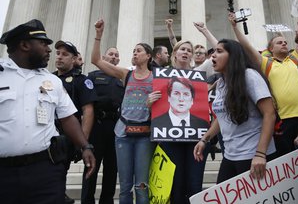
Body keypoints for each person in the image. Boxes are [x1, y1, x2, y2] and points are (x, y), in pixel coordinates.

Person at [0, 19, 95, 204]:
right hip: (4, 173)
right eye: (43, 44)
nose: (49, 50)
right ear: (25, 45)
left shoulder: (52, 81)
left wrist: (85, 146)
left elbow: (68, 118)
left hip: (45, 170)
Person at [194, 38, 277, 183]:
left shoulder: (249, 76)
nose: (213, 55)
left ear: (233, 56)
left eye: (219, 51)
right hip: (230, 155)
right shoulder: (220, 83)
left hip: (253, 156)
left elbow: (269, 114)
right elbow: (221, 118)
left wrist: (260, 154)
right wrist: (204, 139)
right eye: (213, 51)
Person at [91, 19, 155, 204]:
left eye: (138, 51)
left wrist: (152, 104)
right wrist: (98, 35)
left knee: (141, 185)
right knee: (125, 186)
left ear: (148, 56)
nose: (134, 53)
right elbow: (96, 60)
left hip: (145, 135)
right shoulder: (126, 74)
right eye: (133, 51)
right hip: (123, 135)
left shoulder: (157, 78)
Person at [228, 12, 298, 157]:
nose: (284, 44)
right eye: (279, 43)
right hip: (282, 120)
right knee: (285, 160)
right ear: (270, 49)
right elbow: (246, 46)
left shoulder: (295, 59)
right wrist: (235, 27)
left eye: (285, 42)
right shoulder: (266, 63)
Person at [148, 40, 210, 204]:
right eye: (182, 49)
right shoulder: (162, 75)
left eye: (189, 50)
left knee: (194, 184)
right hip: (169, 140)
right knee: (175, 185)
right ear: (174, 52)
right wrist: (149, 104)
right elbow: (154, 109)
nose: (186, 52)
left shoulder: (200, 73)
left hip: (196, 140)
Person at [53, 40, 98, 204]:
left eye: (65, 54)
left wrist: (82, 142)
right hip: (46, 135)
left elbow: (88, 111)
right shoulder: (48, 79)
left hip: (67, 136)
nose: (59, 57)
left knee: (59, 173)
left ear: (74, 59)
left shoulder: (81, 81)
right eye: (57, 53)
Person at [81, 47, 124, 204]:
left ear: (118, 60)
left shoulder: (123, 79)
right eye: (111, 54)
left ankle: (107, 201)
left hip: (116, 127)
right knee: (91, 166)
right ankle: (87, 200)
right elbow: (86, 103)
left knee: (112, 169)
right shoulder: (92, 76)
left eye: (116, 55)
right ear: (104, 57)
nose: (113, 57)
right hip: (97, 126)